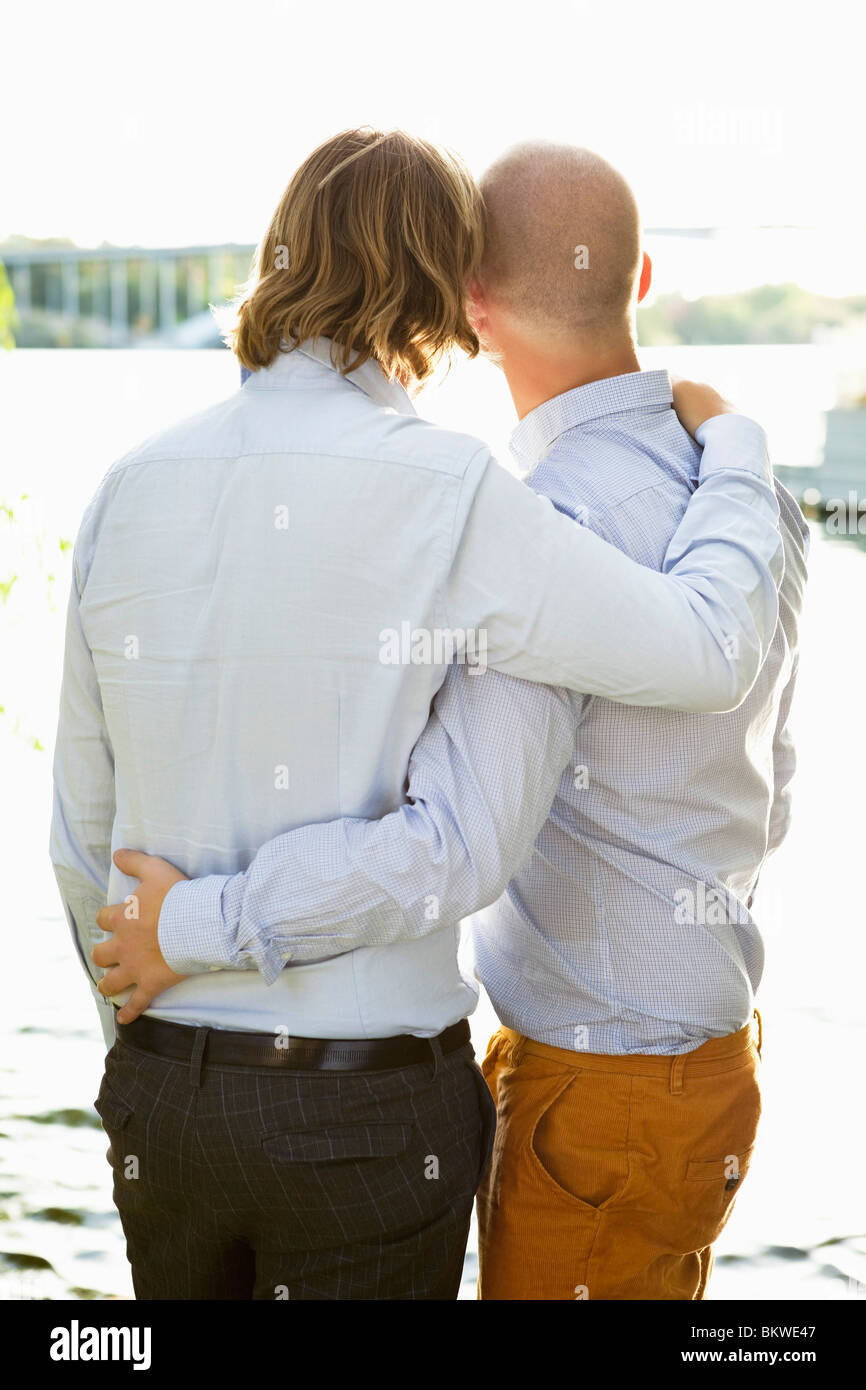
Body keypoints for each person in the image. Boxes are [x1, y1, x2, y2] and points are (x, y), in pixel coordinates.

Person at [51, 129, 782, 1301]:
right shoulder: (454, 491)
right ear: (447, 292)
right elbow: (692, 654)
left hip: (164, 1095)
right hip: (369, 1105)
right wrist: (740, 443)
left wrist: (140, 1051)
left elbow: (80, 834)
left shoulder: (125, 486)